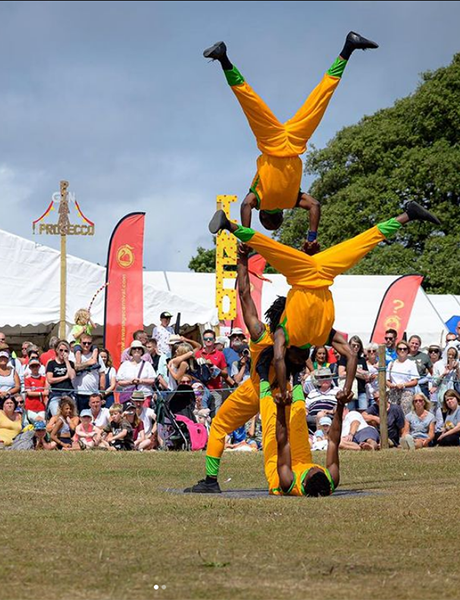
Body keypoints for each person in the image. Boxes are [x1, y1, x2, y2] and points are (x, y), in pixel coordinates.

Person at [209, 200, 440, 400]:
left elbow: (278, 358)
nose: (301, 358)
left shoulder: (284, 334)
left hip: (300, 274)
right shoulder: (321, 336)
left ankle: (228, 224)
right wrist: (346, 389)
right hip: (325, 272)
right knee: (366, 241)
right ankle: (409, 214)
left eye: (296, 360)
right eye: (303, 360)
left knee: (267, 246)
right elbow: (350, 355)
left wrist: (282, 388)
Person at [203, 32, 378, 249]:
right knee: (248, 99)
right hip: (272, 142)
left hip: (296, 141)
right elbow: (246, 205)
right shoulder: (262, 199)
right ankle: (223, 59)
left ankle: (348, 48)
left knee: (322, 95)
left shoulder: (292, 200)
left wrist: (312, 238)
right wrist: (246, 238)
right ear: (264, 216)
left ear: (281, 215)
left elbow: (314, 206)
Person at [185, 244, 308, 493]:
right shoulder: (298, 339)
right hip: (284, 392)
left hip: (255, 390)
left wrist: (241, 260)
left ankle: (211, 481)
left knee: (220, 425)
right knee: (287, 439)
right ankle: (298, 476)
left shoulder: (261, 334)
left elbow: (244, 296)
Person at [271, 384, 351, 496]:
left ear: (304, 483)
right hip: (302, 460)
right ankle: (297, 382)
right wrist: (340, 405)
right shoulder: (330, 479)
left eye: (312, 471)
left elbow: (282, 443)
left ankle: (263, 381)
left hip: (279, 469)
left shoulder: (288, 481)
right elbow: (333, 441)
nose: (315, 467)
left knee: (269, 420)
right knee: (299, 419)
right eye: (320, 470)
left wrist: (280, 407)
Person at [338, 336, 371, 411]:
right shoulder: (344, 358)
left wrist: (352, 372)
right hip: (350, 391)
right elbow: (341, 374)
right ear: (349, 346)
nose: (356, 347)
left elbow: (366, 375)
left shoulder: (362, 360)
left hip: (361, 391)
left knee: (363, 412)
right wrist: (357, 372)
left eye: (358, 346)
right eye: (353, 345)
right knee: (350, 412)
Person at [386, 341, 419, 414]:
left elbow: (415, 381)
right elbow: (387, 380)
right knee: (392, 414)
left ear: (408, 351)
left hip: (407, 392)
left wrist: (403, 385)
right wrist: (391, 385)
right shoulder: (391, 364)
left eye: (404, 349)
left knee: (405, 414)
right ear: (397, 350)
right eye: (400, 349)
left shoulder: (411, 364)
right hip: (393, 392)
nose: (402, 350)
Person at [23, 357, 48, 424]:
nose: (35, 368)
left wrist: (41, 393)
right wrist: (41, 393)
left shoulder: (44, 378)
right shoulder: (27, 379)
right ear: (30, 368)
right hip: (30, 406)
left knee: (42, 423)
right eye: (32, 366)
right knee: (39, 421)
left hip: (41, 406)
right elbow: (29, 393)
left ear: (39, 367)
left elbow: (47, 391)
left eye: (36, 366)